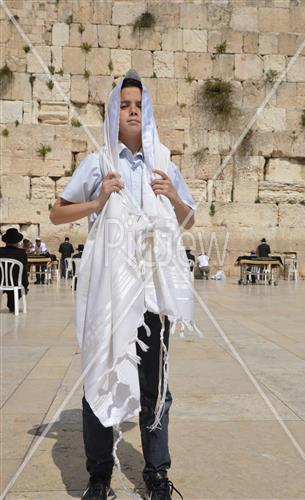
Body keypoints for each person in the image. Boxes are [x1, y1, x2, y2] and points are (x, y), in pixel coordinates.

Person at [50, 69, 195, 500]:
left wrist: (172, 197)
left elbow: (189, 221)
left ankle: (155, 473)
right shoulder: (99, 162)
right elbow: (58, 213)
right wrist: (97, 201)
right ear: (114, 114)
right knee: (101, 372)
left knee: (154, 387)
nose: (132, 112)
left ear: (146, 113)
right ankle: (99, 476)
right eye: (125, 106)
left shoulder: (164, 163)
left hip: (151, 293)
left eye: (139, 106)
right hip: (110, 293)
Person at [0, 228, 29, 313]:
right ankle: (12, 305)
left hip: (1, 281)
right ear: (17, 241)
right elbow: (24, 266)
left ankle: (11, 304)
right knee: (19, 275)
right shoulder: (22, 252)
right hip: (17, 282)